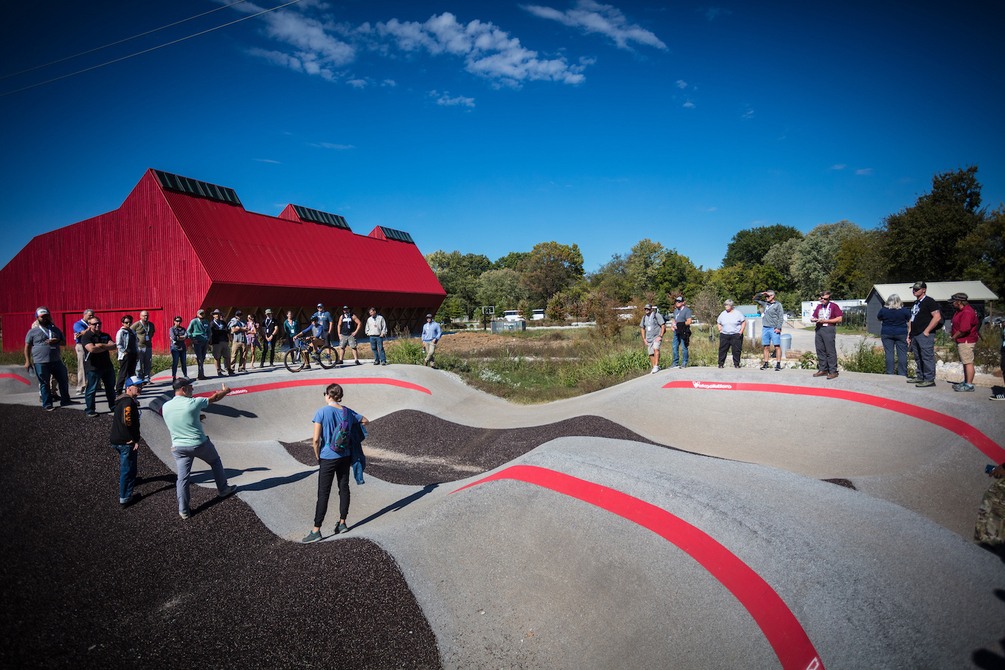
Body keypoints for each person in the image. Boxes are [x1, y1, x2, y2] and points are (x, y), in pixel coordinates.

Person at [161, 378, 238, 519]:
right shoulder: (193, 402)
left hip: (178, 447)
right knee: (215, 462)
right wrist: (225, 391)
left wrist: (196, 417)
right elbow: (214, 398)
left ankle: (183, 510)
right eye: (190, 387)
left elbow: (179, 418)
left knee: (182, 478)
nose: (192, 389)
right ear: (183, 389)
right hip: (198, 444)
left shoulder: (165, 406)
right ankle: (223, 489)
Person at [301, 383, 369, 543]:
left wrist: (318, 455)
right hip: (345, 455)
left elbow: (316, 439)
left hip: (327, 457)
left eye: (325, 393)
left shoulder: (321, 412)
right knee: (343, 488)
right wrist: (354, 437)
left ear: (328, 395)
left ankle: (316, 530)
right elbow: (365, 421)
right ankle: (342, 523)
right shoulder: (347, 411)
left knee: (323, 493)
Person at [24, 307, 72, 410]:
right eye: (42, 317)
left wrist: (57, 341)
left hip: (56, 360)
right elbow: (27, 346)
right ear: (37, 318)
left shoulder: (55, 329)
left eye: (46, 316)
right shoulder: (33, 332)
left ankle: (66, 400)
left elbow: (64, 342)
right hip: (40, 361)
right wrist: (28, 361)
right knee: (44, 383)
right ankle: (47, 403)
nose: (45, 318)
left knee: (63, 380)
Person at [111, 375, 146, 508]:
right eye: (137, 386)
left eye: (141, 386)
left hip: (117, 439)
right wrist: (132, 439)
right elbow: (127, 421)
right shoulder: (128, 403)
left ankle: (131, 481)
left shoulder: (123, 400)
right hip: (125, 442)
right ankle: (125, 497)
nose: (140, 388)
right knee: (128, 468)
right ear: (128, 388)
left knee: (129, 466)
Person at [80, 316, 117, 417]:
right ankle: (90, 409)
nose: (97, 325)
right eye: (95, 324)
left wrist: (100, 345)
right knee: (91, 389)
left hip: (107, 366)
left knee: (110, 388)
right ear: (89, 325)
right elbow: (91, 349)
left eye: (99, 323)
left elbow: (114, 346)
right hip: (93, 367)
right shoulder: (86, 336)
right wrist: (105, 346)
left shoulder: (105, 335)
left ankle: (113, 406)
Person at [907, 281, 942, 388]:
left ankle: (929, 379)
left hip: (924, 334)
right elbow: (912, 318)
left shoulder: (929, 301)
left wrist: (927, 331)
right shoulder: (916, 303)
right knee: (918, 356)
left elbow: (937, 317)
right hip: (915, 334)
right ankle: (920, 376)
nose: (914, 291)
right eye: (913, 289)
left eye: (917, 289)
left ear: (924, 290)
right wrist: (909, 333)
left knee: (927, 356)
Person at [949, 292, 979, 392]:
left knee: (968, 362)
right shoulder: (960, 311)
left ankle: (969, 385)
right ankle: (966, 381)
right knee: (965, 362)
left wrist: (954, 337)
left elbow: (964, 329)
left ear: (959, 302)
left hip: (966, 340)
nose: (952, 304)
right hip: (961, 340)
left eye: (954, 302)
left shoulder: (967, 312)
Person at [876, 294, 911, 376]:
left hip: (887, 332)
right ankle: (902, 373)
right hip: (901, 333)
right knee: (902, 353)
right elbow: (910, 320)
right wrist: (910, 332)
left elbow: (878, 318)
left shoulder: (884, 310)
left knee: (889, 353)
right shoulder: (904, 310)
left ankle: (890, 373)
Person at [811, 291, 842, 380]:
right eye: (822, 298)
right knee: (820, 349)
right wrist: (813, 319)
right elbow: (814, 316)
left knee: (830, 350)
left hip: (829, 328)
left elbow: (839, 319)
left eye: (825, 299)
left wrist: (826, 321)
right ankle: (823, 369)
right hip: (819, 329)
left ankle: (833, 370)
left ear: (829, 299)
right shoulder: (819, 306)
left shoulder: (833, 306)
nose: (823, 300)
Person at [755, 290, 784, 371]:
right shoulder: (765, 304)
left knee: (777, 346)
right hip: (765, 327)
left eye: (768, 296)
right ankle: (766, 363)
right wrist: (761, 293)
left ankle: (778, 364)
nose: (766, 298)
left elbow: (780, 317)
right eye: (766, 297)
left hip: (774, 327)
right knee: (766, 346)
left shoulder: (778, 305)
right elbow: (756, 300)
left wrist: (778, 327)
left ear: (772, 296)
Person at [716, 300, 746, 368]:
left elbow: (743, 322)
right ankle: (721, 363)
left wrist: (740, 332)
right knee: (722, 350)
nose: (726, 306)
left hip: (735, 334)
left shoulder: (738, 313)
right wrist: (720, 330)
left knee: (736, 350)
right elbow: (719, 322)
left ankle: (736, 364)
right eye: (725, 305)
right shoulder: (723, 313)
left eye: (728, 305)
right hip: (725, 334)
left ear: (731, 306)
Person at [72, 309, 95, 395]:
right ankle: (81, 387)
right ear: (84, 315)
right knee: (82, 366)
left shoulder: (92, 324)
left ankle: (95, 385)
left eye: (93, 315)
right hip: (81, 346)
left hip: (91, 345)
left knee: (93, 365)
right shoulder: (78, 324)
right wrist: (91, 327)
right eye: (90, 315)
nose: (91, 317)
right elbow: (83, 333)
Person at [115, 315, 139, 396]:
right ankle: (118, 390)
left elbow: (136, 343)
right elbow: (119, 344)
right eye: (126, 322)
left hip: (133, 353)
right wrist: (124, 352)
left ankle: (129, 390)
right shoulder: (121, 332)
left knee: (131, 373)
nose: (128, 324)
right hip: (125, 355)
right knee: (123, 373)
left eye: (129, 322)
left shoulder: (132, 332)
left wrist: (137, 353)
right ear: (122, 323)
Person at [639, 303, 666, 374]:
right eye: (645, 309)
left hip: (656, 337)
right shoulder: (644, 318)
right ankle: (654, 367)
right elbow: (642, 328)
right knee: (651, 353)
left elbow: (663, 325)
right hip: (649, 338)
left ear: (651, 309)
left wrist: (660, 336)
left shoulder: (656, 315)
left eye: (648, 309)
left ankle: (656, 366)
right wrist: (644, 339)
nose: (646, 310)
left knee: (656, 349)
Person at [132, 310, 156, 382]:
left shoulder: (151, 325)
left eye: (147, 315)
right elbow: (130, 331)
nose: (146, 317)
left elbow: (152, 333)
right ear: (140, 316)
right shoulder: (137, 324)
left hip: (148, 346)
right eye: (144, 315)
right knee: (139, 364)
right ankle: (139, 378)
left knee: (148, 363)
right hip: (139, 347)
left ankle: (146, 378)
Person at [187, 308, 210, 380]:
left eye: (203, 313)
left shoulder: (206, 321)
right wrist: (192, 339)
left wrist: (208, 337)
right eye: (200, 314)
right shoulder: (194, 322)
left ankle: (201, 373)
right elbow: (188, 331)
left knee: (203, 357)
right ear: (197, 315)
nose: (202, 315)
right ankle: (200, 374)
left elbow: (209, 330)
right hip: (197, 341)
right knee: (199, 358)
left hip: (205, 340)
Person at [670, 297, 692, 370]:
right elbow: (674, 319)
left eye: (679, 301)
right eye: (676, 301)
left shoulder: (686, 310)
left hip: (684, 331)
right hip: (676, 331)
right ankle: (675, 363)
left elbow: (689, 321)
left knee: (684, 347)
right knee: (674, 346)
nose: (677, 302)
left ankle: (684, 362)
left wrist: (680, 325)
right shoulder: (676, 311)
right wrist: (672, 326)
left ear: (683, 302)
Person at [209, 309, 233, 376]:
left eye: (219, 314)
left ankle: (229, 369)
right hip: (216, 342)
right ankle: (218, 370)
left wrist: (221, 331)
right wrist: (222, 331)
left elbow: (227, 331)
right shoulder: (212, 324)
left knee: (227, 356)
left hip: (224, 341)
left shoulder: (223, 323)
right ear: (213, 315)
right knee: (217, 357)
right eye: (216, 314)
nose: (217, 315)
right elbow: (213, 332)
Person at [168, 316, 189, 383]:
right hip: (175, 347)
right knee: (175, 362)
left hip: (182, 347)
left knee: (184, 362)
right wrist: (181, 337)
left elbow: (186, 335)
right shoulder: (172, 329)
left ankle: (185, 375)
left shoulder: (182, 329)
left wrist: (179, 337)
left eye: (179, 321)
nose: (178, 322)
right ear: (174, 321)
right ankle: (174, 376)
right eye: (177, 321)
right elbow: (173, 337)